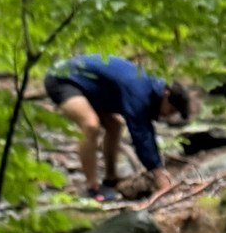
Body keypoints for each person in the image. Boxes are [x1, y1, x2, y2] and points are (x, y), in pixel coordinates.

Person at [43, 54, 191, 201]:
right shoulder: (139, 89)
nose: (167, 116)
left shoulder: (149, 88)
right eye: (171, 110)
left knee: (115, 124)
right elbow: (141, 133)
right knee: (90, 124)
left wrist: (157, 168)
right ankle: (92, 187)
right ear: (166, 94)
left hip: (90, 89)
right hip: (62, 79)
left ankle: (110, 178)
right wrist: (158, 172)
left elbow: (145, 128)